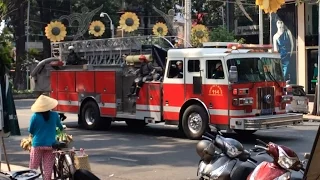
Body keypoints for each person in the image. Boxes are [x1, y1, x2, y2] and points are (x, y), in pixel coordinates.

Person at [28, 95, 64, 180]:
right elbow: (60, 127)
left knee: (33, 168)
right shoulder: (55, 115)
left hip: (37, 145)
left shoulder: (35, 116)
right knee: (48, 169)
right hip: (50, 145)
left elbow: (30, 130)